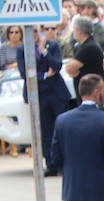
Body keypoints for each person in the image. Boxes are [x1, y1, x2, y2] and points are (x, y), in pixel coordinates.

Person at [18, 28, 69, 171]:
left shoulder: (51, 46)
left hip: (56, 93)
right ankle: (51, 165)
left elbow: (57, 66)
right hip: (38, 94)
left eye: (35, 31)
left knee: (62, 128)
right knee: (45, 131)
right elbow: (24, 72)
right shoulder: (22, 49)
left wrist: (44, 51)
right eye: (30, 31)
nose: (33, 34)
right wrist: (45, 75)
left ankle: (65, 164)